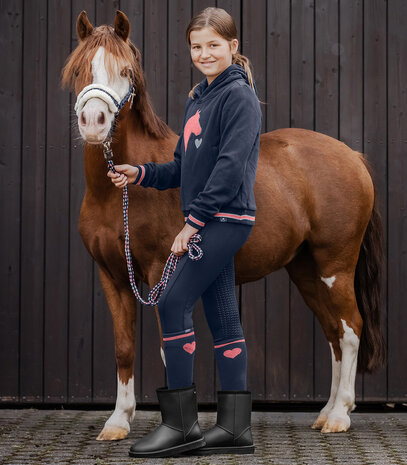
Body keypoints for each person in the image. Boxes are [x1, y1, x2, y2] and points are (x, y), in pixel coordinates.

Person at [108, 7, 262, 458]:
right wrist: (139, 173)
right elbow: (182, 167)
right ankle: (235, 430)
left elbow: (230, 168)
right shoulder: (200, 97)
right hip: (213, 219)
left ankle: (180, 427)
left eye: (214, 45)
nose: (204, 53)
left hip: (225, 220)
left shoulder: (239, 98)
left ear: (233, 47)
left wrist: (191, 224)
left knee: (173, 300)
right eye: (197, 46)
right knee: (223, 319)